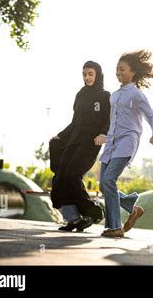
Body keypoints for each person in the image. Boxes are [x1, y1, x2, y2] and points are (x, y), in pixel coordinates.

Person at [99, 50, 153, 238]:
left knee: (109, 179)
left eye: (122, 69)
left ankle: (115, 227)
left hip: (127, 141)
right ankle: (131, 207)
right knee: (104, 185)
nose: (118, 72)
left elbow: (151, 115)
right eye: (117, 69)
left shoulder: (136, 95)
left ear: (133, 72)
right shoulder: (114, 95)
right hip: (111, 142)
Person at [50, 61, 109, 232]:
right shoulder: (80, 95)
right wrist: (59, 136)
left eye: (90, 74)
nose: (87, 77)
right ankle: (73, 219)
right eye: (84, 74)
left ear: (97, 74)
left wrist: (103, 134)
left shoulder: (105, 96)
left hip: (91, 142)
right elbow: (75, 123)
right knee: (60, 178)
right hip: (73, 141)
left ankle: (94, 212)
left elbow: (109, 119)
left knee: (72, 174)